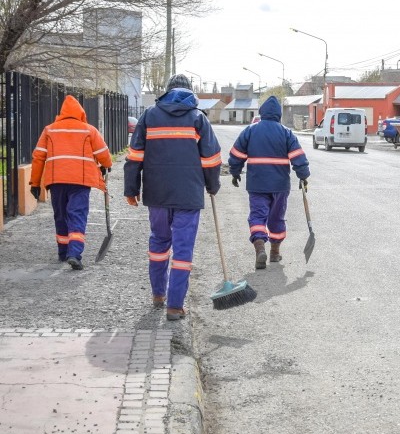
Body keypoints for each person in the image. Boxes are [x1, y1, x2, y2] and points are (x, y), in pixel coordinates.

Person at [124, 74, 221, 320]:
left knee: (158, 243)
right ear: (190, 92)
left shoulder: (149, 116)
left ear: (167, 92)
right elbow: (211, 159)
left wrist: (131, 189)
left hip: (157, 194)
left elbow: (135, 156)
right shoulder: (198, 118)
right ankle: (175, 306)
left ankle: (158, 295)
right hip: (188, 196)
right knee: (183, 250)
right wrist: (212, 185)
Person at [30, 95, 113, 270]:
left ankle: (63, 251)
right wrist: (106, 165)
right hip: (80, 182)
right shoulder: (89, 130)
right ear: (81, 113)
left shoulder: (49, 130)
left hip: (56, 180)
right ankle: (74, 253)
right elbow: (103, 153)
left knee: (60, 215)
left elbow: (38, 157)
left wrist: (35, 183)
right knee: (77, 214)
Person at [228, 95, 310, 269]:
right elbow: (297, 156)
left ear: (262, 113)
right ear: (279, 115)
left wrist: (235, 172)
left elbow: (236, 154)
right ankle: (274, 252)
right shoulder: (286, 133)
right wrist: (303, 176)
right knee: (276, 218)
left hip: (257, 184)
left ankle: (259, 249)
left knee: (257, 216)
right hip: (280, 186)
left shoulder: (250, 131)